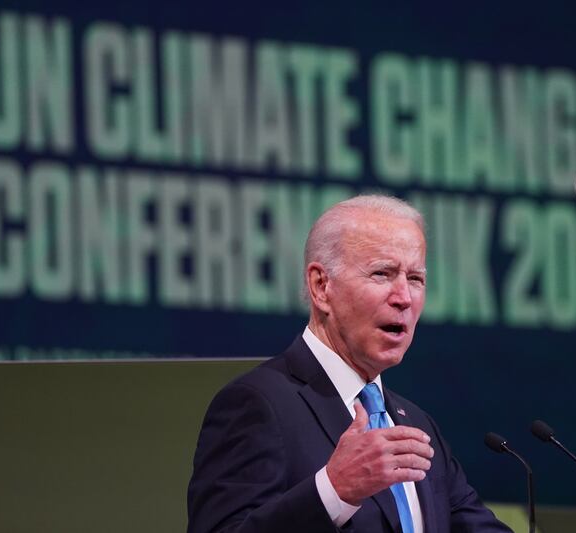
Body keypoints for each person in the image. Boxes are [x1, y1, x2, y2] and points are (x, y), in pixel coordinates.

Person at [187, 195, 512, 533]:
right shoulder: (258, 404)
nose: (404, 297)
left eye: (415, 278)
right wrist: (333, 491)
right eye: (382, 273)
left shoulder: (417, 424)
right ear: (321, 286)